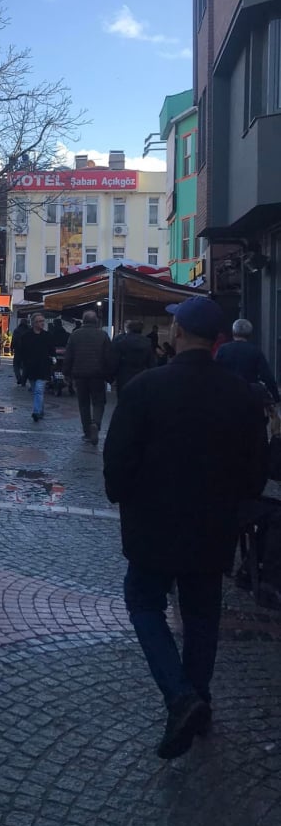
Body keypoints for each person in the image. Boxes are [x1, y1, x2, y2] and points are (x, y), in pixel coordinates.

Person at [103, 297, 268, 759]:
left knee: (143, 601)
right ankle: (199, 699)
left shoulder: (145, 388)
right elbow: (256, 471)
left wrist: (122, 495)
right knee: (201, 614)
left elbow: (118, 460)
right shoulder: (243, 395)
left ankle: (181, 696)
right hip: (213, 525)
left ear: (177, 333)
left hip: (153, 522)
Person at [63, 310, 112, 444]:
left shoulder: (75, 335)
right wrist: (109, 376)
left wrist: (66, 373)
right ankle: (96, 423)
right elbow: (108, 357)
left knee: (83, 404)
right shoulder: (103, 335)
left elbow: (69, 356)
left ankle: (87, 432)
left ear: (83, 321)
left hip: (80, 375)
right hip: (97, 375)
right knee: (98, 402)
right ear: (96, 321)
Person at [216, 318, 280, 401]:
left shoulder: (223, 349)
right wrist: (276, 397)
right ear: (250, 334)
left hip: (227, 394)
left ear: (233, 332)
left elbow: (214, 370)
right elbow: (267, 377)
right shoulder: (255, 351)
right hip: (248, 396)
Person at [17, 313, 53, 422]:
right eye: (38, 321)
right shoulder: (26, 336)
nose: (41, 323)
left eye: (42, 321)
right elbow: (22, 352)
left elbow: (52, 351)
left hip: (43, 367)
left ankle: (36, 412)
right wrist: (24, 364)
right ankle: (40, 411)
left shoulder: (47, 336)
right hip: (31, 368)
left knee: (38, 390)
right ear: (33, 323)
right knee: (36, 390)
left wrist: (52, 360)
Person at [109, 319, 154, 393]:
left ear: (128, 329)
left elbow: (114, 362)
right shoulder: (147, 343)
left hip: (123, 377)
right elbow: (151, 363)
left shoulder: (121, 342)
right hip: (141, 377)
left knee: (123, 400)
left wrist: (111, 378)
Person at [11, 317, 30, 385]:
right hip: (27, 352)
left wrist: (11, 349)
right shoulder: (29, 330)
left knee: (16, 365)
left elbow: (13, 340)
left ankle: (19, 378)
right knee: (25, 366)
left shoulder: (17, 330)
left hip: (18, 350)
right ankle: (23, 381)